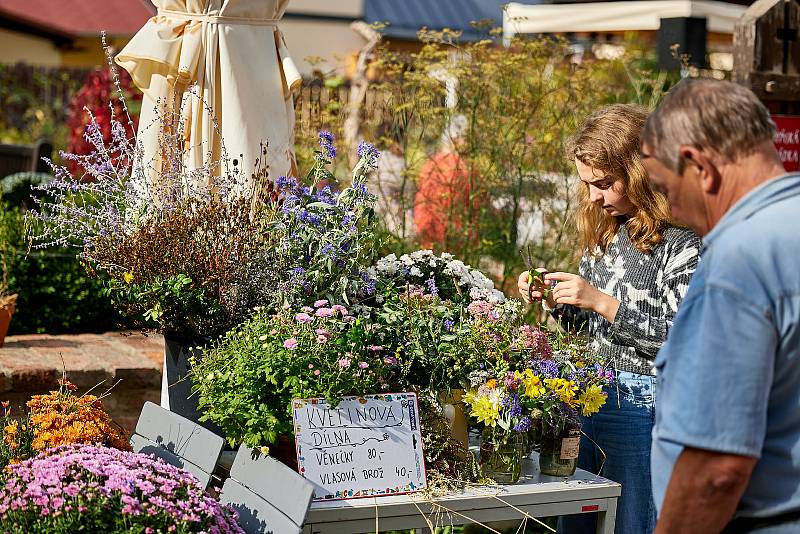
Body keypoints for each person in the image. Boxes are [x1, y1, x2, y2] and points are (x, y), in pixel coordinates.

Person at [517, 104, 701, 534]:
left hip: (645, 403)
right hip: (591, 393)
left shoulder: (683, 240)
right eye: (588, 185)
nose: (595, 196)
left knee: (632, 519)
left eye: (604, 183)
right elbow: (593, 328)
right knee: (581, 514)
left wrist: (600, 301)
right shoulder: (609, 228)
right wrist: (559, 301)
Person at [642, 79, 800, 533]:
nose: (668, 206)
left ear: (699, 166)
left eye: (664, 186)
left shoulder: (740, 260)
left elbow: (717, 469)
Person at [414, 114, 479, 250]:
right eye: (466, 138)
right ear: (456, 139)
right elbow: (474, 202)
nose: (469, 143)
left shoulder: (430, 164)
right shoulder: (460, 167)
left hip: (432, 232)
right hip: (449, 233)